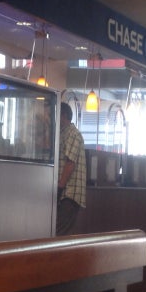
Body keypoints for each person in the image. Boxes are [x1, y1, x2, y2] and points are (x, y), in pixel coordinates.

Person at [56, 101, 86, 235]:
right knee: (57, 232)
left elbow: (70, 163)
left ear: (63, 115)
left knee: (58, 233)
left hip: (69, 194)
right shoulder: (63, 133)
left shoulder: (73, 134)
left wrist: (59, 188)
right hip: (64, 193)